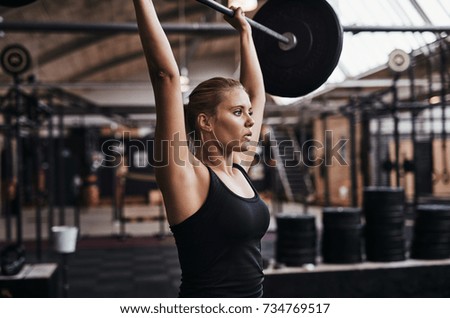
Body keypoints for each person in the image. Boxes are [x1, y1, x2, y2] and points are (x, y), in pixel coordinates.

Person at [132, 0, 270, 297]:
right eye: (237, 112)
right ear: (205, 121)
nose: (250, 120)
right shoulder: (187, 177)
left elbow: (258, 95)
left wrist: (245, 33)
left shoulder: (238, 170)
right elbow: (165, 77)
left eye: (248, 112)